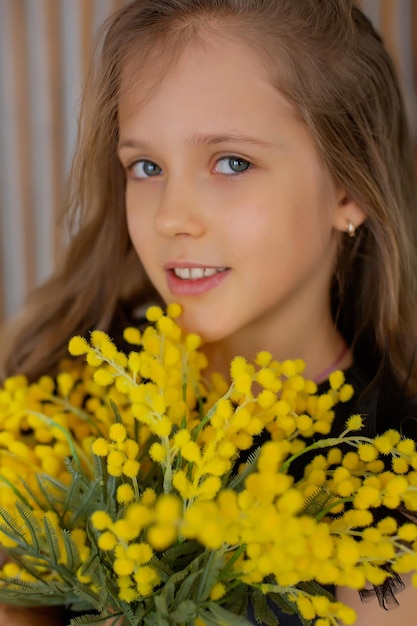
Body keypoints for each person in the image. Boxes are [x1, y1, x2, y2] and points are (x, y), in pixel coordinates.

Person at [0, 0, 416, 624]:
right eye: (146, 167)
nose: (170, 217)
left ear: (347, 187)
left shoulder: (390, 481)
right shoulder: (58, 394)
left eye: (231, 163)